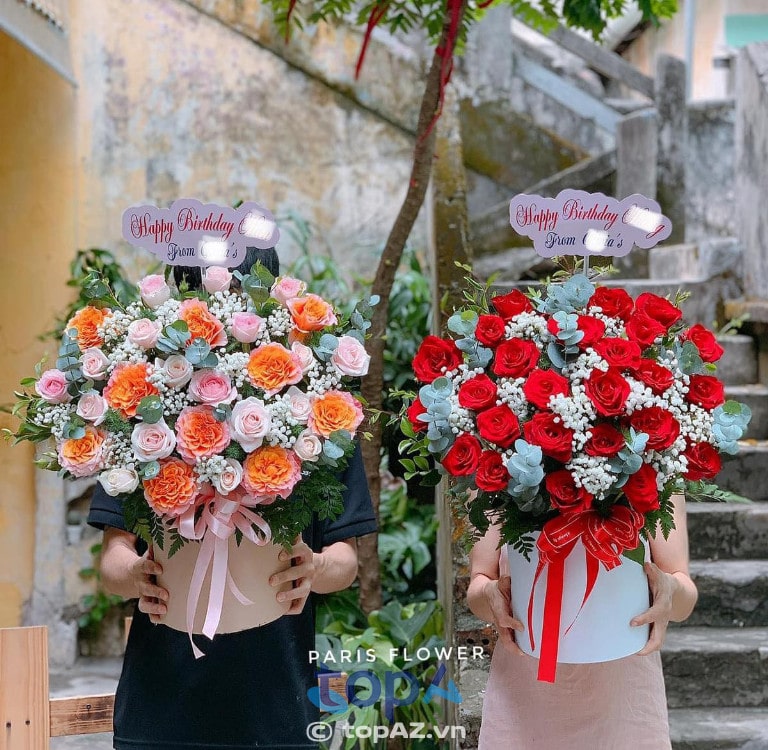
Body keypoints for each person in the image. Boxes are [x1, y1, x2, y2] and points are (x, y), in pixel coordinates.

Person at [89, 247, 377, 749]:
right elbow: (113, 558)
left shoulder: (319, 414)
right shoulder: (139, 417)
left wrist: (313, 568)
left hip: (278, 710)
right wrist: (135, 574)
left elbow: (346, 562)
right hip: (160, 713)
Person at [467, 493, 698, 750]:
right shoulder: (495, 468)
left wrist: (669, 590)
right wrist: (490, 594)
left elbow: (684, 601)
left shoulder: (656, 472)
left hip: (625, 705)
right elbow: (479, 583)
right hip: (523, 701)